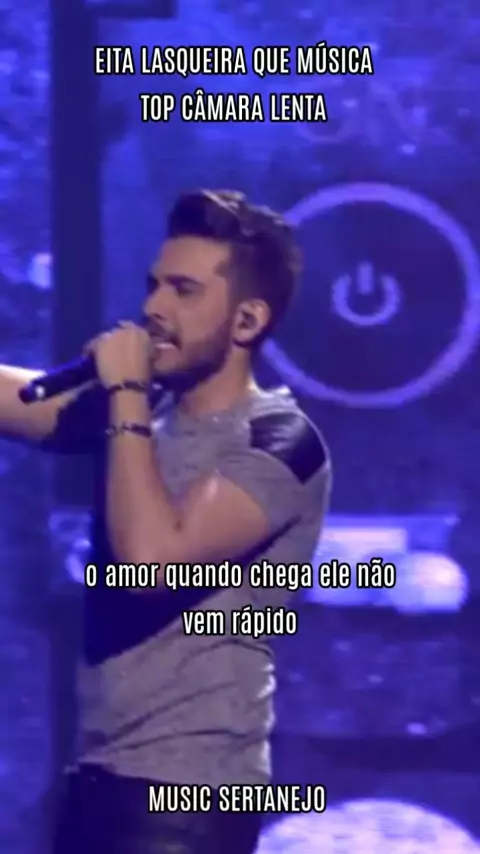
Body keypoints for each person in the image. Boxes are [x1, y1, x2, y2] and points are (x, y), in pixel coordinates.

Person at [0, 190, 331, 853]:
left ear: (247, 321)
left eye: (183, 291)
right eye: (154, 285)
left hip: (188, 801)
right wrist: (126, 396)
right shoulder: (144, 411)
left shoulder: (281, 441)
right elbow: (22, 401)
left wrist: (124, 389)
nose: (153, 308)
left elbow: (152, 562)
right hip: (100, 779)